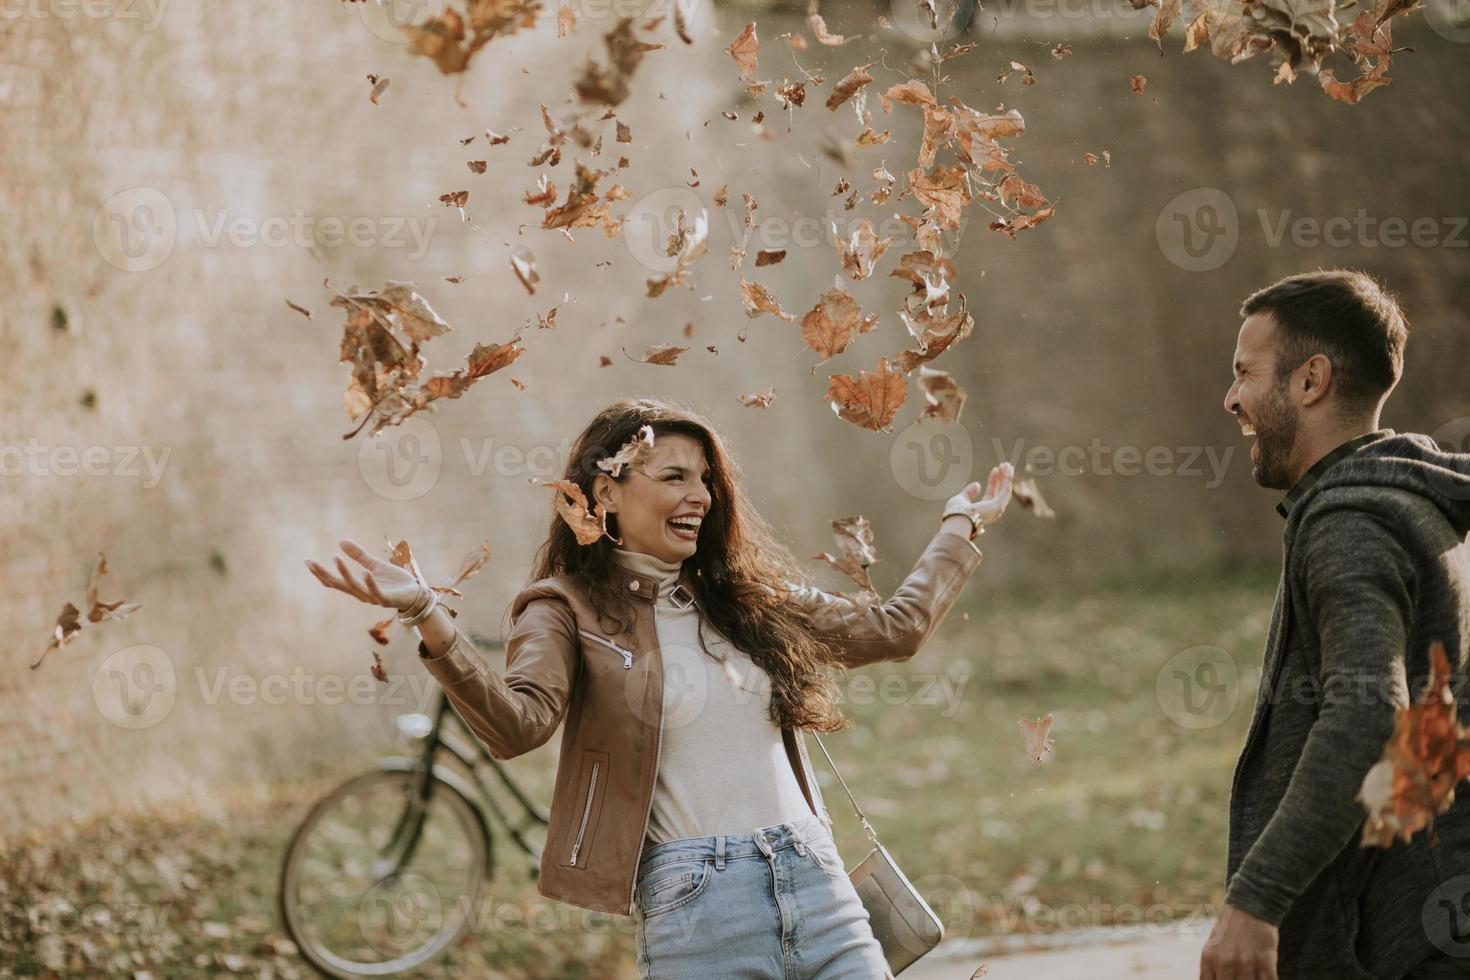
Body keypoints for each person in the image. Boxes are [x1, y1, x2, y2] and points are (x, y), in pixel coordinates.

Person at [307, 397, 1014, 978]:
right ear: (608, 491)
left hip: (818, 882)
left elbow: (893, 629)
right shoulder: (565, 607)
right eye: (674, 476)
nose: (700, 496)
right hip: (700, 907)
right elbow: (516, 725)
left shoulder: (744, 597)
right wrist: (427, 613)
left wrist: (959, 524)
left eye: (705, 478)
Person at [1205, 269, 1470, 980]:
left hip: (1408, 946)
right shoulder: (1418, 506)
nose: (1232, 399)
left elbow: (1364, 714)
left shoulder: (1351, 522)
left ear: (1310, 380)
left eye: (1244, 373)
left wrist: (1254, 903)